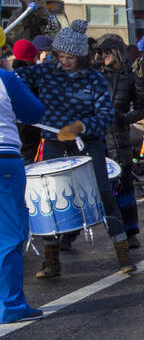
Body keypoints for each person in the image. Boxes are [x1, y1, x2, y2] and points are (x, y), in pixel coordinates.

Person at [22, 20, 135, 277]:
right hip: (54, 144)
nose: (65, 61)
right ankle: (51, 260)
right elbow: (14, 80)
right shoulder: (43, 72)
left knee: (104, 193)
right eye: (60, 56)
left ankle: (123, 254)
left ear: (81, 57)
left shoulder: (94, 79)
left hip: (89, 144)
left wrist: (80, 126)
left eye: (70, 57)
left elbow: (106, 115)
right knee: (50, 199)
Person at [96, 34, 144, 248]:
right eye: (100, 52)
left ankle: (130, 233)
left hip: (119, 139)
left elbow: (140, 109)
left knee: (125, 189)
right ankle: (68, 235)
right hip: (97, 138)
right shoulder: (96, 75)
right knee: (98, 190)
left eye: (107, 51)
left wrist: (122, 118)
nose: (103, 56)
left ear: (117, 50)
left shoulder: (131, 77)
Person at [1, 64, 45, 323]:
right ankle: (10, 305)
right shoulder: (5, 78)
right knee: (8, 234)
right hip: (4, 159)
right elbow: (33, 112)